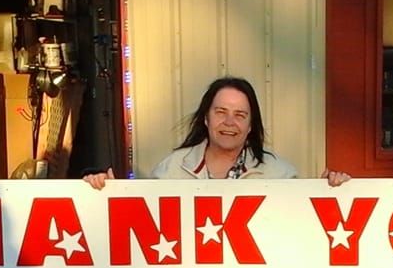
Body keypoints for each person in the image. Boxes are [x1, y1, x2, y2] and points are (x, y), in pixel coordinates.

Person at [82, 76, 351, 187]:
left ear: (250, 127)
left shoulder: (279, 173)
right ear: (206, 119)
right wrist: (108, 196)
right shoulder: (172, 169)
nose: (230, 122)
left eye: (240, 115)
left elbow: (304, 229)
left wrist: (330, 191)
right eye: (221, 112)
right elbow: (142, 225)